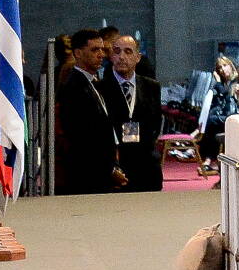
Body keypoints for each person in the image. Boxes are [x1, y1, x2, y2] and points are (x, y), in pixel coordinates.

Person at [56, 28, 124, 194]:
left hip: (102, 169)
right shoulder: (73, 87)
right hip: (86, 174)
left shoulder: (96, 83)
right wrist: (109, 169)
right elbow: (81, 137)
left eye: (102, 49)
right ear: (78, 53)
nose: (101, 54)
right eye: (95, 50)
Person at [101, 33, 165, 193]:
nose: (121, 57)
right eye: (117, 51)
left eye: (128, 51)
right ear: (111, 57)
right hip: (117, 167)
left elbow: (155, 124)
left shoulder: (152, 86)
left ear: (138, 57)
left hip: (147, 164)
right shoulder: (100, 88)